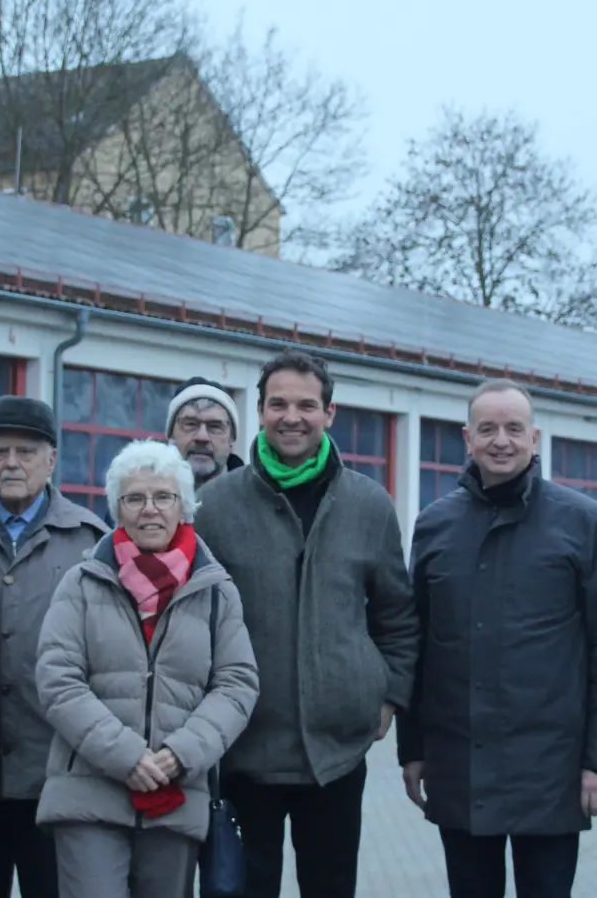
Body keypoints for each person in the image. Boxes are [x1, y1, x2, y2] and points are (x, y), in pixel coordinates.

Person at [192, 348, 417, 898]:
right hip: (244, 748)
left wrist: (387, 694)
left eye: (306, 405)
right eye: (278, 404)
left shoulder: (368, 504)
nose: (292, 416)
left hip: (336, 751)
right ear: (261, 412)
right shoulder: (214, 507)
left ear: (329, 413)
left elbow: (397, 613)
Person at [398, 378, 597, 898]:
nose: (500, 440)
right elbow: (416, 644)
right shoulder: (435, 525)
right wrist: (411, 747)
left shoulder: (583, 522)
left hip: (552, 771)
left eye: (513, 428)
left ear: (535, 437)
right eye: (488, 429)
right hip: (460, 764)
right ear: (467, 438)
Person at [35, 440, 259, 898]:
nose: (149, 509)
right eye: (134, 498)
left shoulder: (216, 590)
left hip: (176, 793)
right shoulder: (82, 583)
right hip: (88, 792)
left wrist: (180, 754)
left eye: (163, 496)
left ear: (184, 506)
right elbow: (57, 679)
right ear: (118, 509)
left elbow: (237, 685)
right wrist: (126, 756)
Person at [0, 397, 109, 898]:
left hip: (58, 774)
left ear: (52, 459)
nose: (11, 463)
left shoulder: (90, 540)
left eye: (25, 451)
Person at [166, 376, 243, 488]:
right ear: (171, 434)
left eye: (215, 426)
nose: (202, 437)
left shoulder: (255, 500)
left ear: (231, 438)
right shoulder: (142, 498)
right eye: (190, 424)